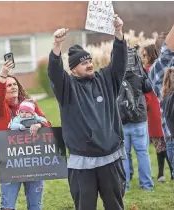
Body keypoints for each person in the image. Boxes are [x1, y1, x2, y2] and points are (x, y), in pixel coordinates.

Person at [47, 15, 127, 210]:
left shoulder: (107, 79)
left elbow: (119, 63)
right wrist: (57, 47)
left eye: (90, 60)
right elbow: (55, 73)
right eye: (83, 63)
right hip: (82, 162)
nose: (89, 64)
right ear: (73, 70)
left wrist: (118, 34)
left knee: (115, 205)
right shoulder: (67, 88)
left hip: (110, 157)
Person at [0, 61, 51, 210]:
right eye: (9, 85)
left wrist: (39, 125)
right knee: (8, 206)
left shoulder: (30, 105)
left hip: (33, 161)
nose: (13, 86)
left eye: (15, 84)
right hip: (11, 163)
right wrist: (3, 76)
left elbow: (47, 123)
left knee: (35, 206)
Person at [118, 45, 154, 191]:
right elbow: (148, 87)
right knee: (142, 152)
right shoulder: (139, 71)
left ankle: (124, 187)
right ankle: (147, 186)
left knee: (124, 155)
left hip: (122, 118)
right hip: (139, 116)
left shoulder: (115, 71)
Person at [143, 44, 173, 181]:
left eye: (144, 55)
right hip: (158, 114)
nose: (143, 58)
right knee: (162, 146)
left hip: (156, 115)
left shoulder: (151, 72)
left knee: (161, 146)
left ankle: (163, 173)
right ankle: (165, 173)